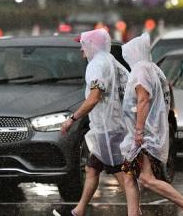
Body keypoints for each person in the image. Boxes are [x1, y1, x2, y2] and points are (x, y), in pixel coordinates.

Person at [119, 33, 183, 216]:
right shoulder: (153, 69)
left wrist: (139, 131)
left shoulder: (141, 70)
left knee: (146, 179)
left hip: (144, 135)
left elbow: (143, 100)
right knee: (129, 176)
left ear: (134, 53)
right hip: (149, 132)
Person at [53, 28, 129, 216]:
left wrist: (72, 118)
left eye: (83, 45)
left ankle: (136, 211)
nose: (81, 50)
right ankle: (78, 211)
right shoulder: (112, 62)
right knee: (92, 168)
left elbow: (95, 97)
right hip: (114, 124)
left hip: (107, 128)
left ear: (93, 45)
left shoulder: (96, 65)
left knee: (121, 172)